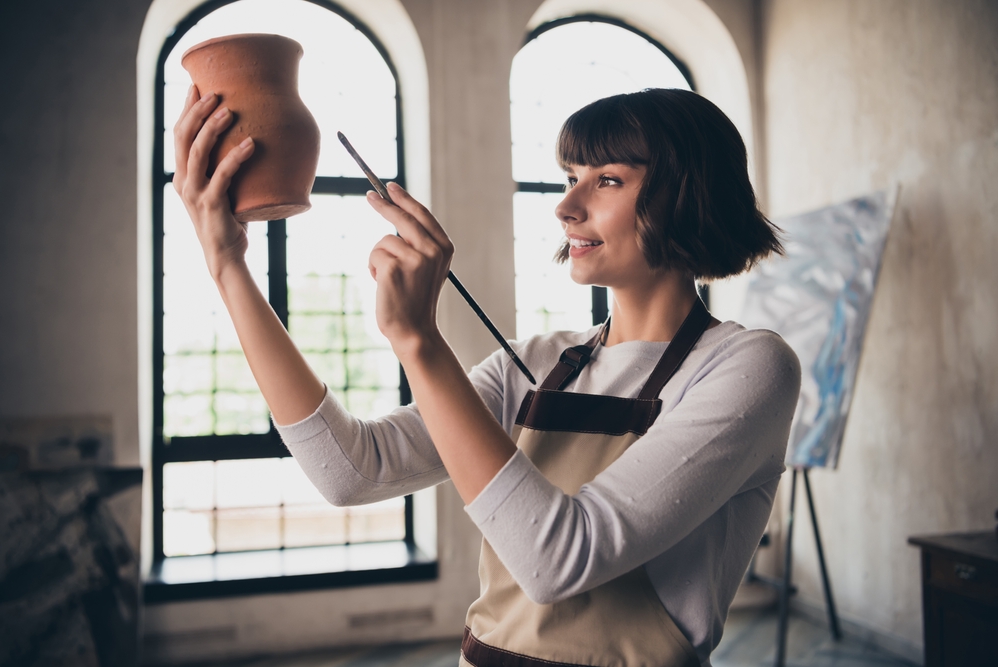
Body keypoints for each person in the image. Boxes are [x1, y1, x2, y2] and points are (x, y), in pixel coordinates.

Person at [173, 86, 801, 667]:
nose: (566, 207)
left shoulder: (747, 367)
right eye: (569, 178)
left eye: (606, 180)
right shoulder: (535, 362)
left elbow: (559, 558)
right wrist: (228, 264)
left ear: (688, 194)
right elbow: (350, 470)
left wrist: (420, 343)